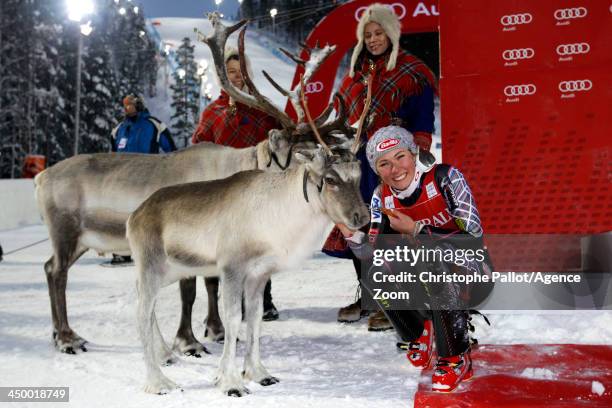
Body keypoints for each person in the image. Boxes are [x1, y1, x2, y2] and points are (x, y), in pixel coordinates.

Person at [340, 125, 487, 392]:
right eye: (383, 163)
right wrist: (350, 233)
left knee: (430, 258)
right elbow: (370, 254)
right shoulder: (380, 196)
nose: (394, 169)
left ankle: (456, 357)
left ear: (414, 153)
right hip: (425, 274)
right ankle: (418, 333)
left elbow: (475, 238)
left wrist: (419, 230)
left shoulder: (445, 177)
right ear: (377, 171)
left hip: (471, 270)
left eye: (400, 157)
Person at [330, 3, 438, 330]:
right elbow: (341, 115)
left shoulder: (411, 71)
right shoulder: (355, 75)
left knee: (389, 230)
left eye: (379, 33)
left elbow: (422, 120)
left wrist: (414, 161)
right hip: (358, 162)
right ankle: (370, 297)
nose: (374, 39)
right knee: (359, 228)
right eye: (368, 35)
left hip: (393, 162)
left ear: (391, 33)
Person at [191, 47, 279, 322]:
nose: (236, 78)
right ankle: (228, 302)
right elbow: (199, 148)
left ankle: (263, 299)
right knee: (227, 249)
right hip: (222, 192)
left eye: (241, 73)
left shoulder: (262, 108)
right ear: (222, 75)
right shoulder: (213, 111)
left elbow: (278, 140)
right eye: (230, 73)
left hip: (256, 189)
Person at [109, 94, 176, 265]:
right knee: (123, 214)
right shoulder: (119, 129)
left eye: (130, 105)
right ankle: (122, 251)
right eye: (125, 106)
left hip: (148, 178)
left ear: (138, 105)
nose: (127, 109)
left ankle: (152, 250)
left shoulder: (154, 125)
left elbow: (171, 150)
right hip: (124, 180)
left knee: (148, 216)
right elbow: (112, 155)